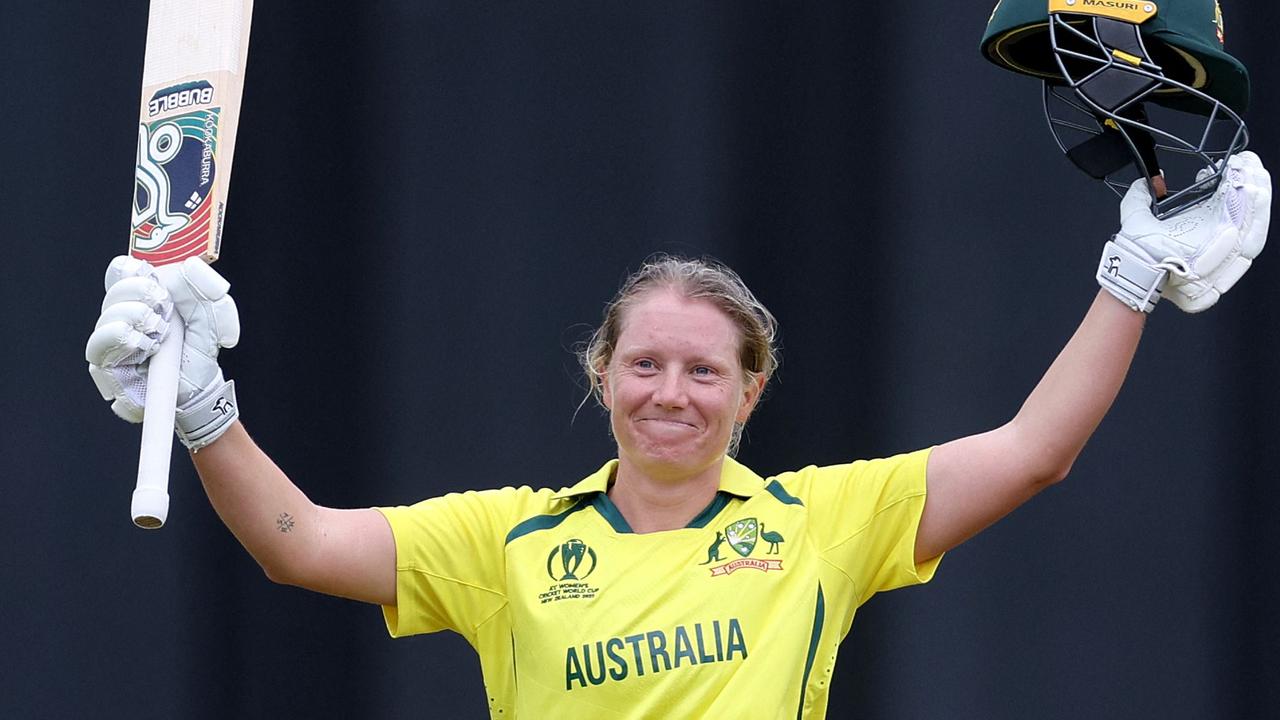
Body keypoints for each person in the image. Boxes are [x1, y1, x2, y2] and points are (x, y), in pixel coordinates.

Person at [86, 153, 1270, 718]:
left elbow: (1031, 449)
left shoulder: (818, 525)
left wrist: (1131, 272)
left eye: (705, 371)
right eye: (644, 363)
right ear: (601, 375)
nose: (671, 392)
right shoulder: (506, 542)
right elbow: (298, 544)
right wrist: (203, 409)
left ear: (749, 394)